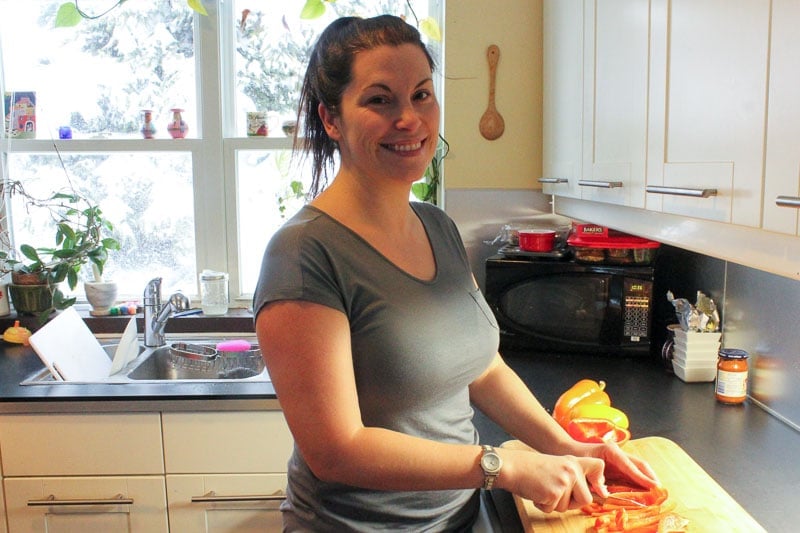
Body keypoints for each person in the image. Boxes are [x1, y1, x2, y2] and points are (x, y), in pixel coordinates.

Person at [253, 14, 659, 532]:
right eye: (379, 100)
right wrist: (501, 464)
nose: (409, 119)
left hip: (460, 519)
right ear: (331, 120)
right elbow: (337, 450)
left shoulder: (436, 226)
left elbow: (482, 369)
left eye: (421, 95)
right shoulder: (304, 254)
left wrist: (572, 447)